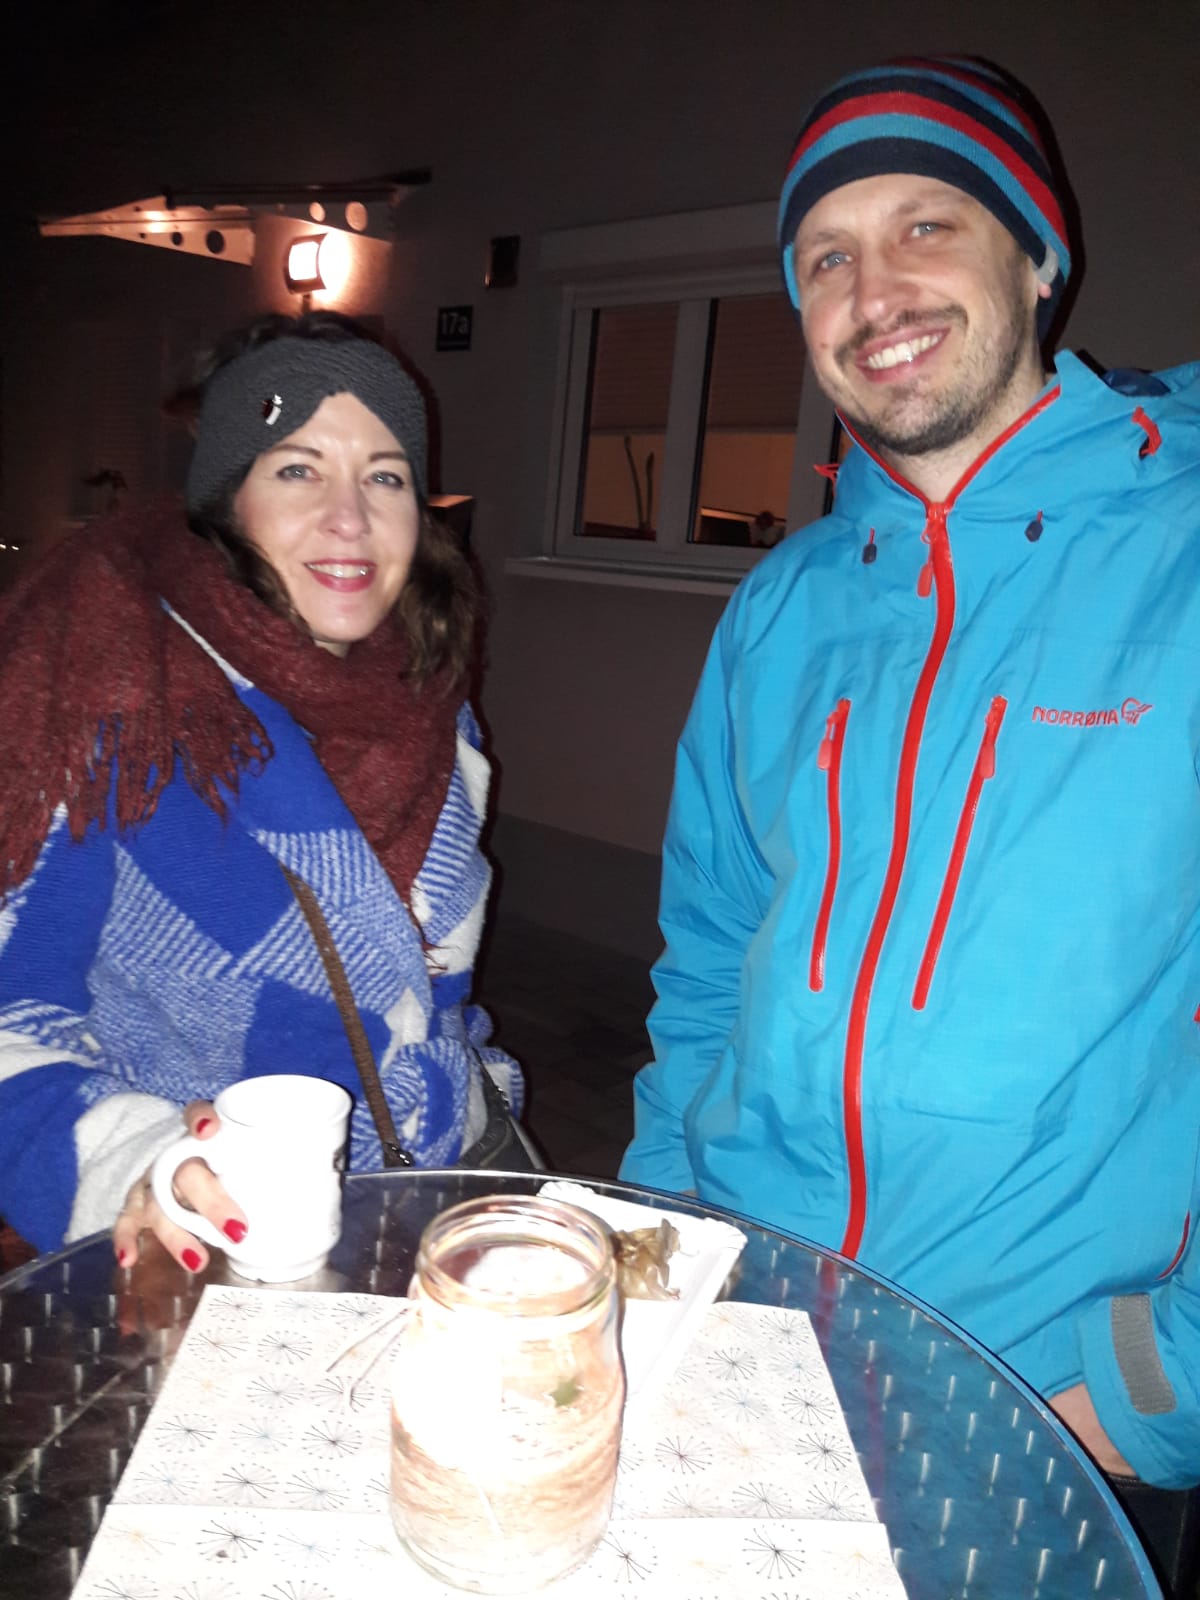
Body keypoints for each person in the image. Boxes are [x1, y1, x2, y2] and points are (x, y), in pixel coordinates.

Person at [621, 55, 1199, 1524]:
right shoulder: (781, 605)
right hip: (751, 1341)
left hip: (1050, 1399)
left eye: (926, 226)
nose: (874, 291)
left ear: (1038, 253)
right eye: (826, 258)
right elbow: (707, 954)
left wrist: (1157, 1385)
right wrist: (664, 1233)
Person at [0, 311, 527, 1275]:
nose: (350, 517)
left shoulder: (433, 702)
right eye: (297, 469)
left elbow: (430, 997)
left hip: (451, 1192)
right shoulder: (118, 713)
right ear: (227, 499)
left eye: (386, 476)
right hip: (231, 1243)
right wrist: (145, 1161)